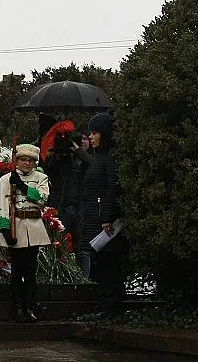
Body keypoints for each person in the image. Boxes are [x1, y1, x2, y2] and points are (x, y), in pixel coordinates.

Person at [79, 112, 126, 318]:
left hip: (104, 222)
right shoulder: (98, 158)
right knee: (99, 263)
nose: (91, 136)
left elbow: (111, 188)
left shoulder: (110, 158)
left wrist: (107, 216)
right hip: (93, 217)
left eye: (95, 132)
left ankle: (111, 305)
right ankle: (104, 302)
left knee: (109, 264)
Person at [0, 143, 50, 322]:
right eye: (23, 160)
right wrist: (4, 228)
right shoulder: (6, 179)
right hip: (15, 225)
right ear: (16, 161)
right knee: (17, 270)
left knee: (30, 270)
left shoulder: (41, 177)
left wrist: (23, 187)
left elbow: (42, 199)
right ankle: (17, 306)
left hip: (34, 225)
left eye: (31, 160)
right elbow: (2, 205)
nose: (27, 163)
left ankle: (30, 305)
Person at [41, 121, 85, 268]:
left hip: (77, 205)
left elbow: (90, 166)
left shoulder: (80, 157)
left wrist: (78, 151)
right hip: (60, 202)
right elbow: (48, 175)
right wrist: (53, 156)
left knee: (80, 246)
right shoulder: (56, 156)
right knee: (59, 242)